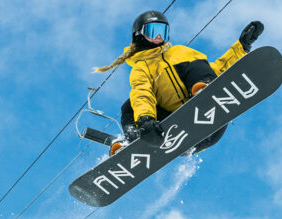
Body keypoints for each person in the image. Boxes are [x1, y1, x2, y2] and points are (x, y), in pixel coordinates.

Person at [95, 10, 264, 155]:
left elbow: (215, 69)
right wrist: (146, 120)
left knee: (195, 63)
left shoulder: (179, 52)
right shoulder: (141, 68)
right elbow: (142, 93)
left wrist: (242, 46)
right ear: (140, 35)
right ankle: (137, 141)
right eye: (153, 31)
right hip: (173, 132)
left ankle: (205, 93)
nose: (159, 37)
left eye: (163, 31)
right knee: (130, 106)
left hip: (209, 122)